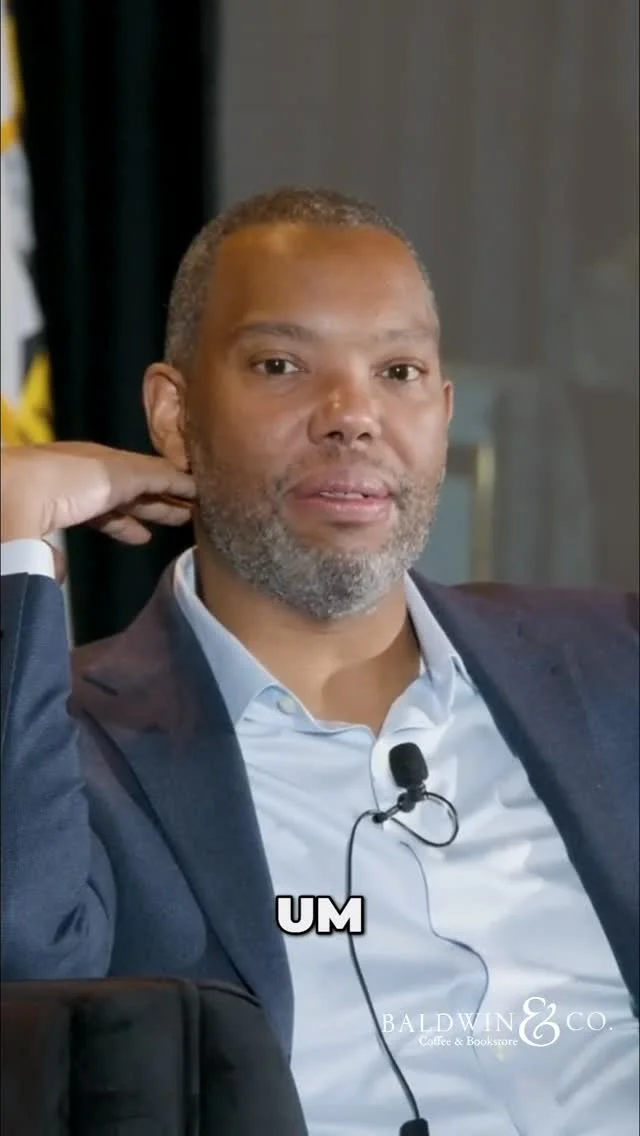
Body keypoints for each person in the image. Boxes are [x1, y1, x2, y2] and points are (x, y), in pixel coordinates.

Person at [1, 187, 638, 1135]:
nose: (353, 416)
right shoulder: (70, 747)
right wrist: (11, 531)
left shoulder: (612, 664)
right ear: (174, 414)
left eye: (398, 371)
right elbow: (24, 992)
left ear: (443, 412)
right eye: (282, 365)